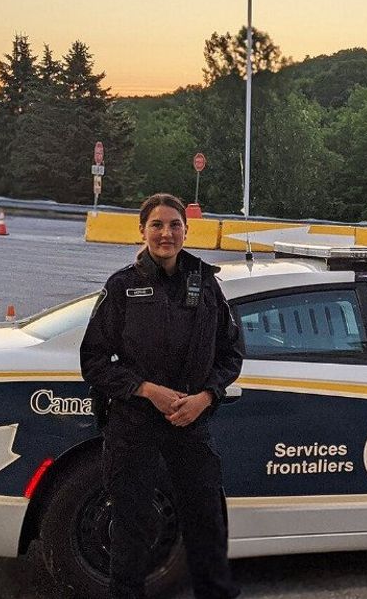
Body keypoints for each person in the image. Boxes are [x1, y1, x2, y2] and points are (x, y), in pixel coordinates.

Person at [81, 193, 243, 599]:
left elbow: (231, 354)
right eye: (157, 225)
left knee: (207, 526)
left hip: (191, 422)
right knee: (132, 529)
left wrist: (206, 397)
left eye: (174, 225)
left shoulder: (207, 285)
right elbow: (94, 360)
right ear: (142, 231)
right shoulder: (122, 287)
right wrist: (146, 390)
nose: (166, 233)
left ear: (187, 231)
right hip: (133, 424)